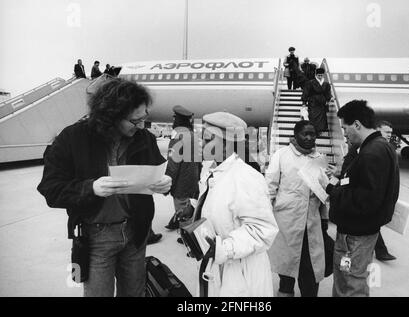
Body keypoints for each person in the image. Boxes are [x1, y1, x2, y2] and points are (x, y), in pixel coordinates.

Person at [37, 78, 172, 297]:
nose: (140, 126)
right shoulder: (72, 138)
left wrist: (165, 184)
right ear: (111, 116)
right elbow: (50, 189)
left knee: (134, 293)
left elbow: (158, 172)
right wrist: (90, 188)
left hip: (136, 233)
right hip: (95, 237)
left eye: (143, 118)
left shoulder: (144, 138)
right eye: (134, 121)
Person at [195, 112, 279, 296]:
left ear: (226, 145)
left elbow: (263, 230)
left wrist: (223, 249)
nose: (201, 143)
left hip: (241, 272)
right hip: (218, 267)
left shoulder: (246, 177)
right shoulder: (211, 170)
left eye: (208, 139)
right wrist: (195, 211)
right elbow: (220, 209)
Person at [325, 100, 400, 297]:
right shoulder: (379, 146)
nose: (345, 133)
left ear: (357, 125)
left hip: (355, 235)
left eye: (345, 127)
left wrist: (332, 188)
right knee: (353, 280)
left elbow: (365, 201)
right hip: (364, 231)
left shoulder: (371, 153)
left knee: (349, 283)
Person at [266, 120, 330, 297]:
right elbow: (270, 187)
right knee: (287, 267)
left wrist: (324, 219)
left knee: (310, 269)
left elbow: (323, 195)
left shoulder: (319, 158)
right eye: (305, 134)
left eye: (313, 134)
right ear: (295, 136)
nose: (310, 138)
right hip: (287, 222)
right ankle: (285, 291)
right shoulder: (282, 155)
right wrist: (268, 217)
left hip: (311, 223)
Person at [164, 105, 202, 230]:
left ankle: (187, 237)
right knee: (190, 209)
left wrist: (167, 185)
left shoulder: (177, 137)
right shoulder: (193, 136)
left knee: (183, 213)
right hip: (193, 181)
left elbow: (173, 165)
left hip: (181, 184)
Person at [374, 120, 397, 261]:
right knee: (372, 224)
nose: (389, 135)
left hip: (380, 192)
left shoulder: (386, 147)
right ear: (377, 130)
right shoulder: (373, 147)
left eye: (390, 133)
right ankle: (381, 252)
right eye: (386, 132)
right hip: (374, 193)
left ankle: (381, 251)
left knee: (372, 224)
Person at [302, 68, 332, 133]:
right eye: (319, 75)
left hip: (322, 103)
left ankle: (319, 131)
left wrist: (328, 100)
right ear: (316, 75)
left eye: (321, 75)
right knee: (313, 116)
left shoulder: (326, 84)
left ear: (323, 75)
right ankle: (314, 130)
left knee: (321, 118)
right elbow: (306, 92)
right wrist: (304, 102)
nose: (320, 77)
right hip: (313, 102)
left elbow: (328, 93)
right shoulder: (311, 82)